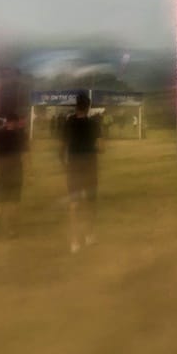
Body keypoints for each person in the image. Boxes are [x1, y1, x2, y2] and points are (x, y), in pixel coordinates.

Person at [60, 91, 103, 254]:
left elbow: (61, 148)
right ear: (88, 107)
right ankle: (89, 236)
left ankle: (74, 241)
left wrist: (65, 165)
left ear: (76, 106)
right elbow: (102, 147)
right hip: (90, 166)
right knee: (90, 203)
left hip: (73, 166)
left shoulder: (68, 123)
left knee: (74, 204)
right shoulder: (93, 124)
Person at [0, 112, 28, 238]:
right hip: (16, 172)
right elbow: (25, 155)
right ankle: (11, 231)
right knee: (13, 202)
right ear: (15, 122)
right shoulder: (21, 135)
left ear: (6, 121)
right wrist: (29, 172)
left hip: (1, 172)